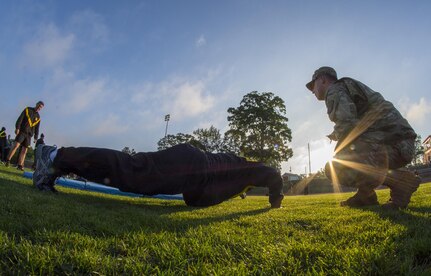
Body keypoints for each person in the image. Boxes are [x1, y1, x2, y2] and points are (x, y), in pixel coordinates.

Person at [306, 66, 420, 209]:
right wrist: (336, 134)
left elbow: (347, 125)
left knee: (336, 166)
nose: (312, 91)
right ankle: (366, 196)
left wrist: (339, 151)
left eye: (313, 85)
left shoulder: (334, 90)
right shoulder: (346, 87)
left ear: (322, 80)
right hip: (400, 145)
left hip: (394, 145)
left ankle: (401, 181)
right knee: (346, 157)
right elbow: (357, 122)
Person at [33, 143, 284, 208]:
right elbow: (272, 174)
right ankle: (54, 155)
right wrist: (275, 201)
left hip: (191, 168)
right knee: (130, 170)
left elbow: (194, 198)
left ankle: (55, 166)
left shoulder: (236, 175)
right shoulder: (247, 169)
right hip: (192, 164)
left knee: (130, 175)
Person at [5, 101, 44, 171]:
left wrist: (35, 137)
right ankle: (8, 160)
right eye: (39, 105)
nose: (39, 108)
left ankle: (20, 165)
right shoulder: (27, 109)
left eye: (41, 107)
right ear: (36, 104)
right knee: (16, 146)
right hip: (22, 131)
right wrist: (17, 128)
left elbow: (37, 128)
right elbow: (20, 119)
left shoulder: (38, 117)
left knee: (24, 150)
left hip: (29, 135)